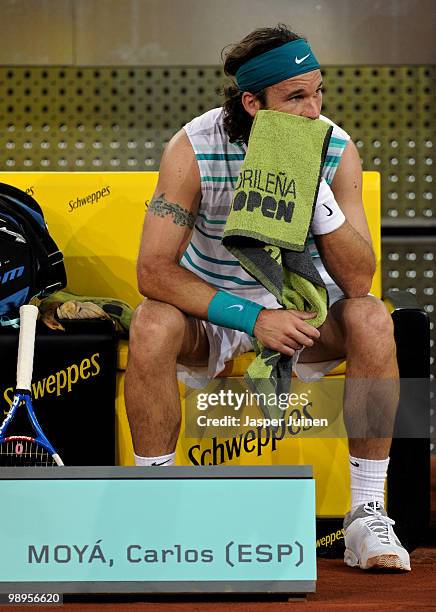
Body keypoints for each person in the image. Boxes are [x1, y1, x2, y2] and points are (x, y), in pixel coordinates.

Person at [125, 24, 410, 572]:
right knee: (151, 321)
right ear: (252, 102)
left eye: (318, 91)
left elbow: (358, 282)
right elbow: (153, 271)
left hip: (305, 310)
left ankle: (366, 514)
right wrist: (254, 317)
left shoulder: (334, 146)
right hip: (211, 309)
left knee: (373, 318)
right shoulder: (193, 148)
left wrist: (316, 191)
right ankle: (154, 507)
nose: (313, 109)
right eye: (295, 97)